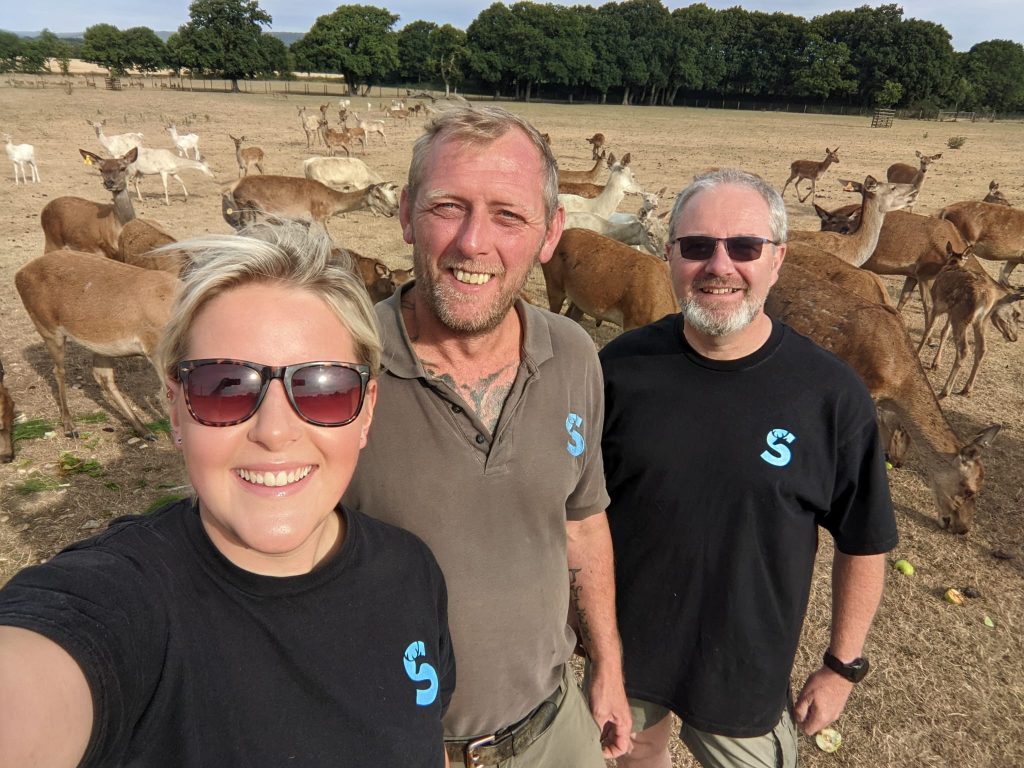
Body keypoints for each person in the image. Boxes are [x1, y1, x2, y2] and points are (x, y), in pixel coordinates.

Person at [0, 222, 454, 767]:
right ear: (175, 409)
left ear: (366, 411)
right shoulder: (125, 598)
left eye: (324, 387)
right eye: (224, 386)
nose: (274, 431)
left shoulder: (411, 572)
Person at [343, 105, 632, 767]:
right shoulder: (341, 364)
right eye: (448, 207)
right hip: (402, 746)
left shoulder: (574, 353)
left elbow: (582, 522)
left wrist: (609, 667)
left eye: (509, 215)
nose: (474, 242)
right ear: (406, 211)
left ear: (551, 232)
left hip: (555, 731)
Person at [599, 168, 898, 768]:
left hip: (748, 665)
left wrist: (842, 665)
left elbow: (864, 540)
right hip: (631, 657)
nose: (719, 266)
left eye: (744, 247)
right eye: (697, 246)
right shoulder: (619, 369)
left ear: (777, 260)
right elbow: (578, 512)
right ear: (669, 255)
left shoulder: (830, 394)